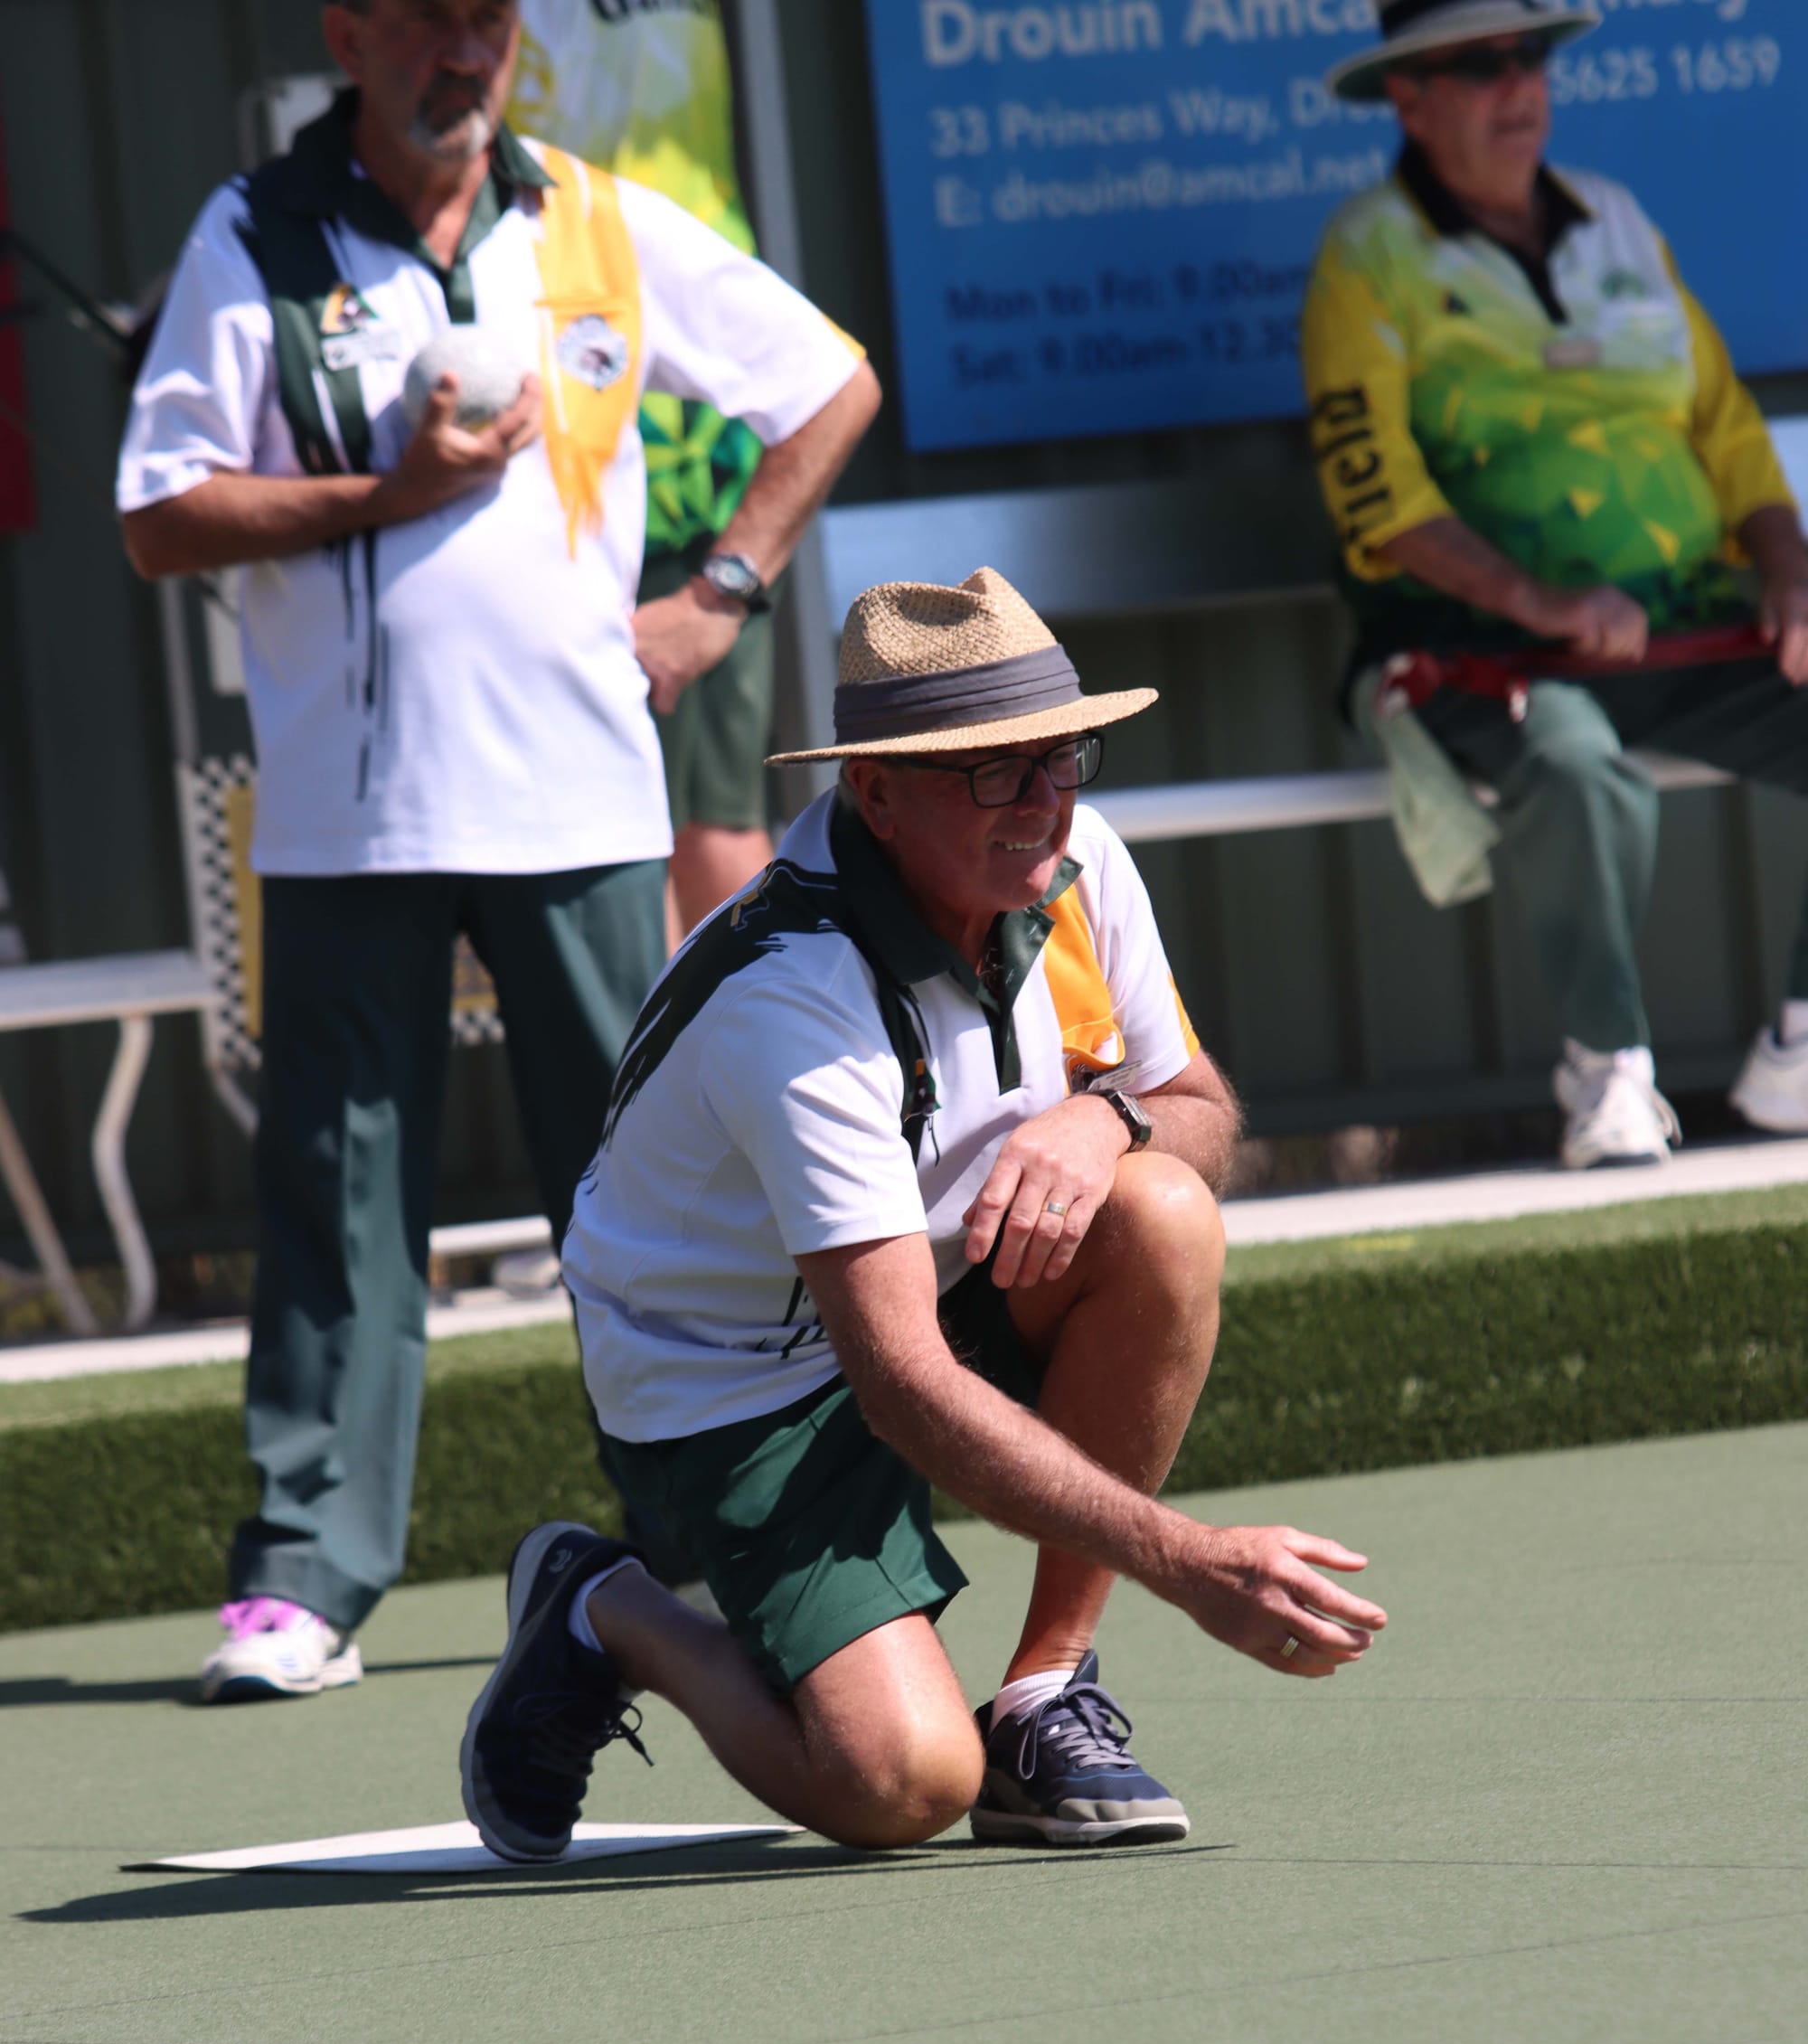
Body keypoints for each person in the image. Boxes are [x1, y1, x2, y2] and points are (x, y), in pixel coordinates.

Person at [116, 0, 878, 1703]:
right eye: (427, 20)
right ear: (350, 29)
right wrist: (383, 496)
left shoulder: (597, 220)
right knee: (334, 1196)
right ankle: (305, 1575)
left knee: (647, 1204)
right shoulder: (255, 232)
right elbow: (162, 512)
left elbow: (831, 385)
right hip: (345, 814)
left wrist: (718, 596)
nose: (463, 53)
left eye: (490, 21)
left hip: (584, 804)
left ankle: (700, 1548)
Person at [458, 571, 1387, 1861]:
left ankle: (1043, 1696)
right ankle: (605, 1606)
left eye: (1060, 756)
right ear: (876, 793)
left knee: (1162, 1213)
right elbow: (895, 1380)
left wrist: (1104, 1120)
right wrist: (1190, 1564)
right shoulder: (791, 997)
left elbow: (1201, 1109)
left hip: (935, 1275)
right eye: (993, 772)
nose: (1045, 800)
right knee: (898, 1786)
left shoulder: (1076, 859)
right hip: (738, 1382)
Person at [1303, 0, 1808, 1169]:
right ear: (1409, 101)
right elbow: (1374, 496)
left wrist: (1788, 570)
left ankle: (1798, 1043)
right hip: (1482, 646)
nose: (1517, 82)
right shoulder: (1366, 255)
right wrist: (1544, 604)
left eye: (1530, 55)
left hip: (1682, 628)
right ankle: (1607, 1065)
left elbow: (1729, 436)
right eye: (1478, 64)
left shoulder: (1620, 220)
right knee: (1580, 770)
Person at [508, 0, 782, 948]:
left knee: (700, 822)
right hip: (586, 423)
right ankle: (702, 1084)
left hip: (675, 435)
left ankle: (733, 1082)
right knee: (658, 827)